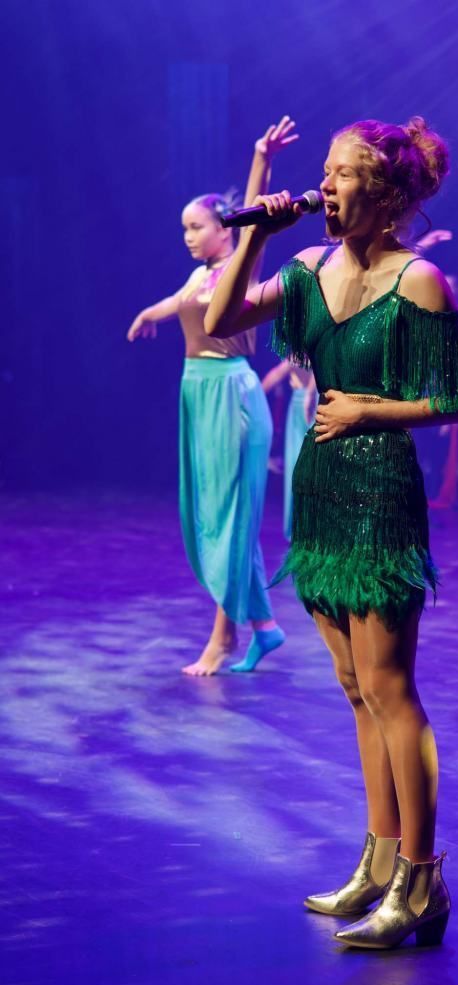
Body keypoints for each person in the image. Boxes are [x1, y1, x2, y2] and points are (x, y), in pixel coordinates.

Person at [204, 116, 458, 948]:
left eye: (342, 172)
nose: (324, 184)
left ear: (387, 192)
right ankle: (378, 860)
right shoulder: (304, 265)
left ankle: (422, 883)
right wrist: (254, 229)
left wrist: (372, 407)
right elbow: (221, 318)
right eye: (323, 171)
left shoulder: (420, 280)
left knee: (390, 687)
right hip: (320, 488)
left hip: (379, 490)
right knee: (355, 689)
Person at [127, 117, 298, 675]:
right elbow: (172, 303)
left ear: (224, 229)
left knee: (230, 517)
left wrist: (260, 159)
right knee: (215, 515)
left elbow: (255, 211)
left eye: (196, 226)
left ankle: (222, 639)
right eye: (184, 228)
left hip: (231, 393)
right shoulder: (198, 277)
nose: (188, 236)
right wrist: (146, 316)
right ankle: (265, 628)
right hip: (196, 393)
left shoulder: (238, 265)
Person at [261, 361, 316, 540]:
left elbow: (276, 375)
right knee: (301, 466)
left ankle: (307, 528)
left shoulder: (300, 355)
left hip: (313, 405)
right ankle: (303, 528)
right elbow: (275, 375)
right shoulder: (296, 357)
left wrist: (309, 392)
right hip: (304, 406)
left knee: (309, 466)